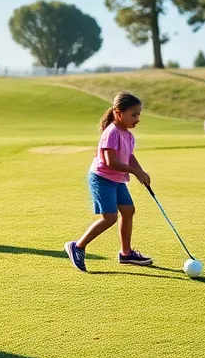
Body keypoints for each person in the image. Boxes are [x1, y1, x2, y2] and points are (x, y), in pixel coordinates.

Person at [65, 92, 153, 272]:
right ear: (118, 113)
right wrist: (134, 171)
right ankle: (78, 246)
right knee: (110, 217)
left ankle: (126, 253)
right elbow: (110, 161)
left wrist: (140, 171)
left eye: (138, 114)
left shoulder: (128, 135)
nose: (137, 118)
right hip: (102, 179)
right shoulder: (111, 132)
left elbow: (129, 156)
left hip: (117, 180)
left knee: (128, 210)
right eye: (133, 114)